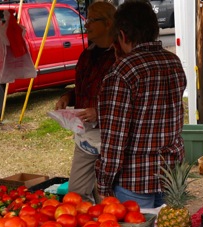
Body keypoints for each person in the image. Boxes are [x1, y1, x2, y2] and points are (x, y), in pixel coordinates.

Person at [96, 0, 186, 208]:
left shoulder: (122, 72)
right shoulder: (173, 62)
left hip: (134, 180)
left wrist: (103, 184)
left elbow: (114, 140)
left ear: (122, 35)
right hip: (171, 175)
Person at [54, 1, 117, 204]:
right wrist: (67, 97)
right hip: (86, 133)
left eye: (91, 20)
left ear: (108, 24)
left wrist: (99, 111)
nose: (86, 24)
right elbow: (82, 87)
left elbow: (125, 97)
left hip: (112, 136)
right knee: (76, 193)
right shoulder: (87, 54)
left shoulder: (120, 56)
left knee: (107, 196)